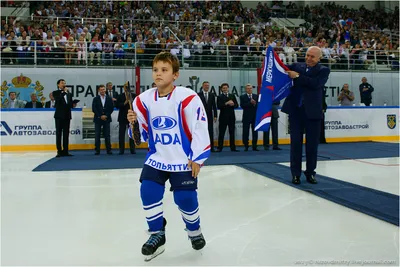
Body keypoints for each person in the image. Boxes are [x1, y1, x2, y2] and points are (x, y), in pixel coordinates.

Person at [127, 52, 210, 261]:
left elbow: (200, 127)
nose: (158, 74)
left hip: (183, 159)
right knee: (148, 191)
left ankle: (194, 231)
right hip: (157, 157)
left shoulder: (188, 97)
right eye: (155, 70)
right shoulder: (142, 100)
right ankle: (157, 234)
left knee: (185, 198)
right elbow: (141, 137)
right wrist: (133, 124)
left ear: (175, 75)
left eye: (164, 70)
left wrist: (197, 158)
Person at [282, 46, 330, 185]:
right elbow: (282, 67)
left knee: (312, 146)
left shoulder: (323, 70)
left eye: (312, 56)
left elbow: (315, 84)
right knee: (295, 144)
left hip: (313, 113)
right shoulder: (297, 65)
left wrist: (297, 76)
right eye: (307, 55)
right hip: (296, 112)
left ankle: (310, 173)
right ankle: (295, 174)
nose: (308, 58)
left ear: (319, 58)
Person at [53, 79, 73, 157]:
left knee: (66, 134)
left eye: (64, 83)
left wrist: (73, 104)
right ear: (58, 85)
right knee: (59, 134)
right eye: (62, 83)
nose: (64, 84)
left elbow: (69, 104)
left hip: (67, 116)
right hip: (59, 116)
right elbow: (58, 100)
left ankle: (66, 150)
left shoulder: (69, 94)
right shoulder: (56, 93)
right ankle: (59, 151)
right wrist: (64, 92)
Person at [216, 83, 239, 152]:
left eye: (226, 88)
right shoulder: (219, 97)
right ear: (221, 89)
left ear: (228, 88)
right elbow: (219, 106)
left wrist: (233, 104)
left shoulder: (232, 95)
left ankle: (233, 147)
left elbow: (237, 105)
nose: (225, 89)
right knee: (221, 133)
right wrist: (226, 103)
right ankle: (220, 147)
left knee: (232, 132)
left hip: (231, 117)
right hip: (223, 117)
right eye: (223, 88)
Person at [92, 85, 114, 155]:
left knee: (107, 135)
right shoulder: (95, 99)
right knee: (97, 135)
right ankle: (97, 150)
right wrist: (100, 116)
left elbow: (111, 108)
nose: (103, 91)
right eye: (101, 89)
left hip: (107, 119)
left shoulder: (109, 98)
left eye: (104, 89)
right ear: (99, 90)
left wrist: (106, 115)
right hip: (98, 119)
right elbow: (94, 108)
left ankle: (109, 150)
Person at [198, 81, 217, 152]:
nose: (207, 87)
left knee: (210, 131)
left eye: (208, 86)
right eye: (205, 85)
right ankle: (201, 147)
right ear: (202, 86)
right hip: (201, 116)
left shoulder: (212, 95)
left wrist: (215, 115)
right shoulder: (198, 95)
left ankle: (211, 147)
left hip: (209, 116)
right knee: (201, 132)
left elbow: (214, 106)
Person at [116, 89, 136, 155]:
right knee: (121, 134)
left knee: (132, 134)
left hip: (131, 117)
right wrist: (124, 103)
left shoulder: (134, 96)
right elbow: (117, 105)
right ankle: (121, 150)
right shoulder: (120, 96)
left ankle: (132, 149)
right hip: (122, 117)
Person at [240, 83, 259, 151]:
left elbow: (258, 106)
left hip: (254, 116)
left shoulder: (256, 96)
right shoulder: (242, 97)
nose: (249, 89)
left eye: (250, 88)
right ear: (246, 89)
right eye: (248, 88)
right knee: (245, 132)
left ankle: (255, 146)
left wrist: (254, 103)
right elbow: (242, 105)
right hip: (246, 116)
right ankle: (246, 145)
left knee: (255, 132)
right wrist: (250, 103)